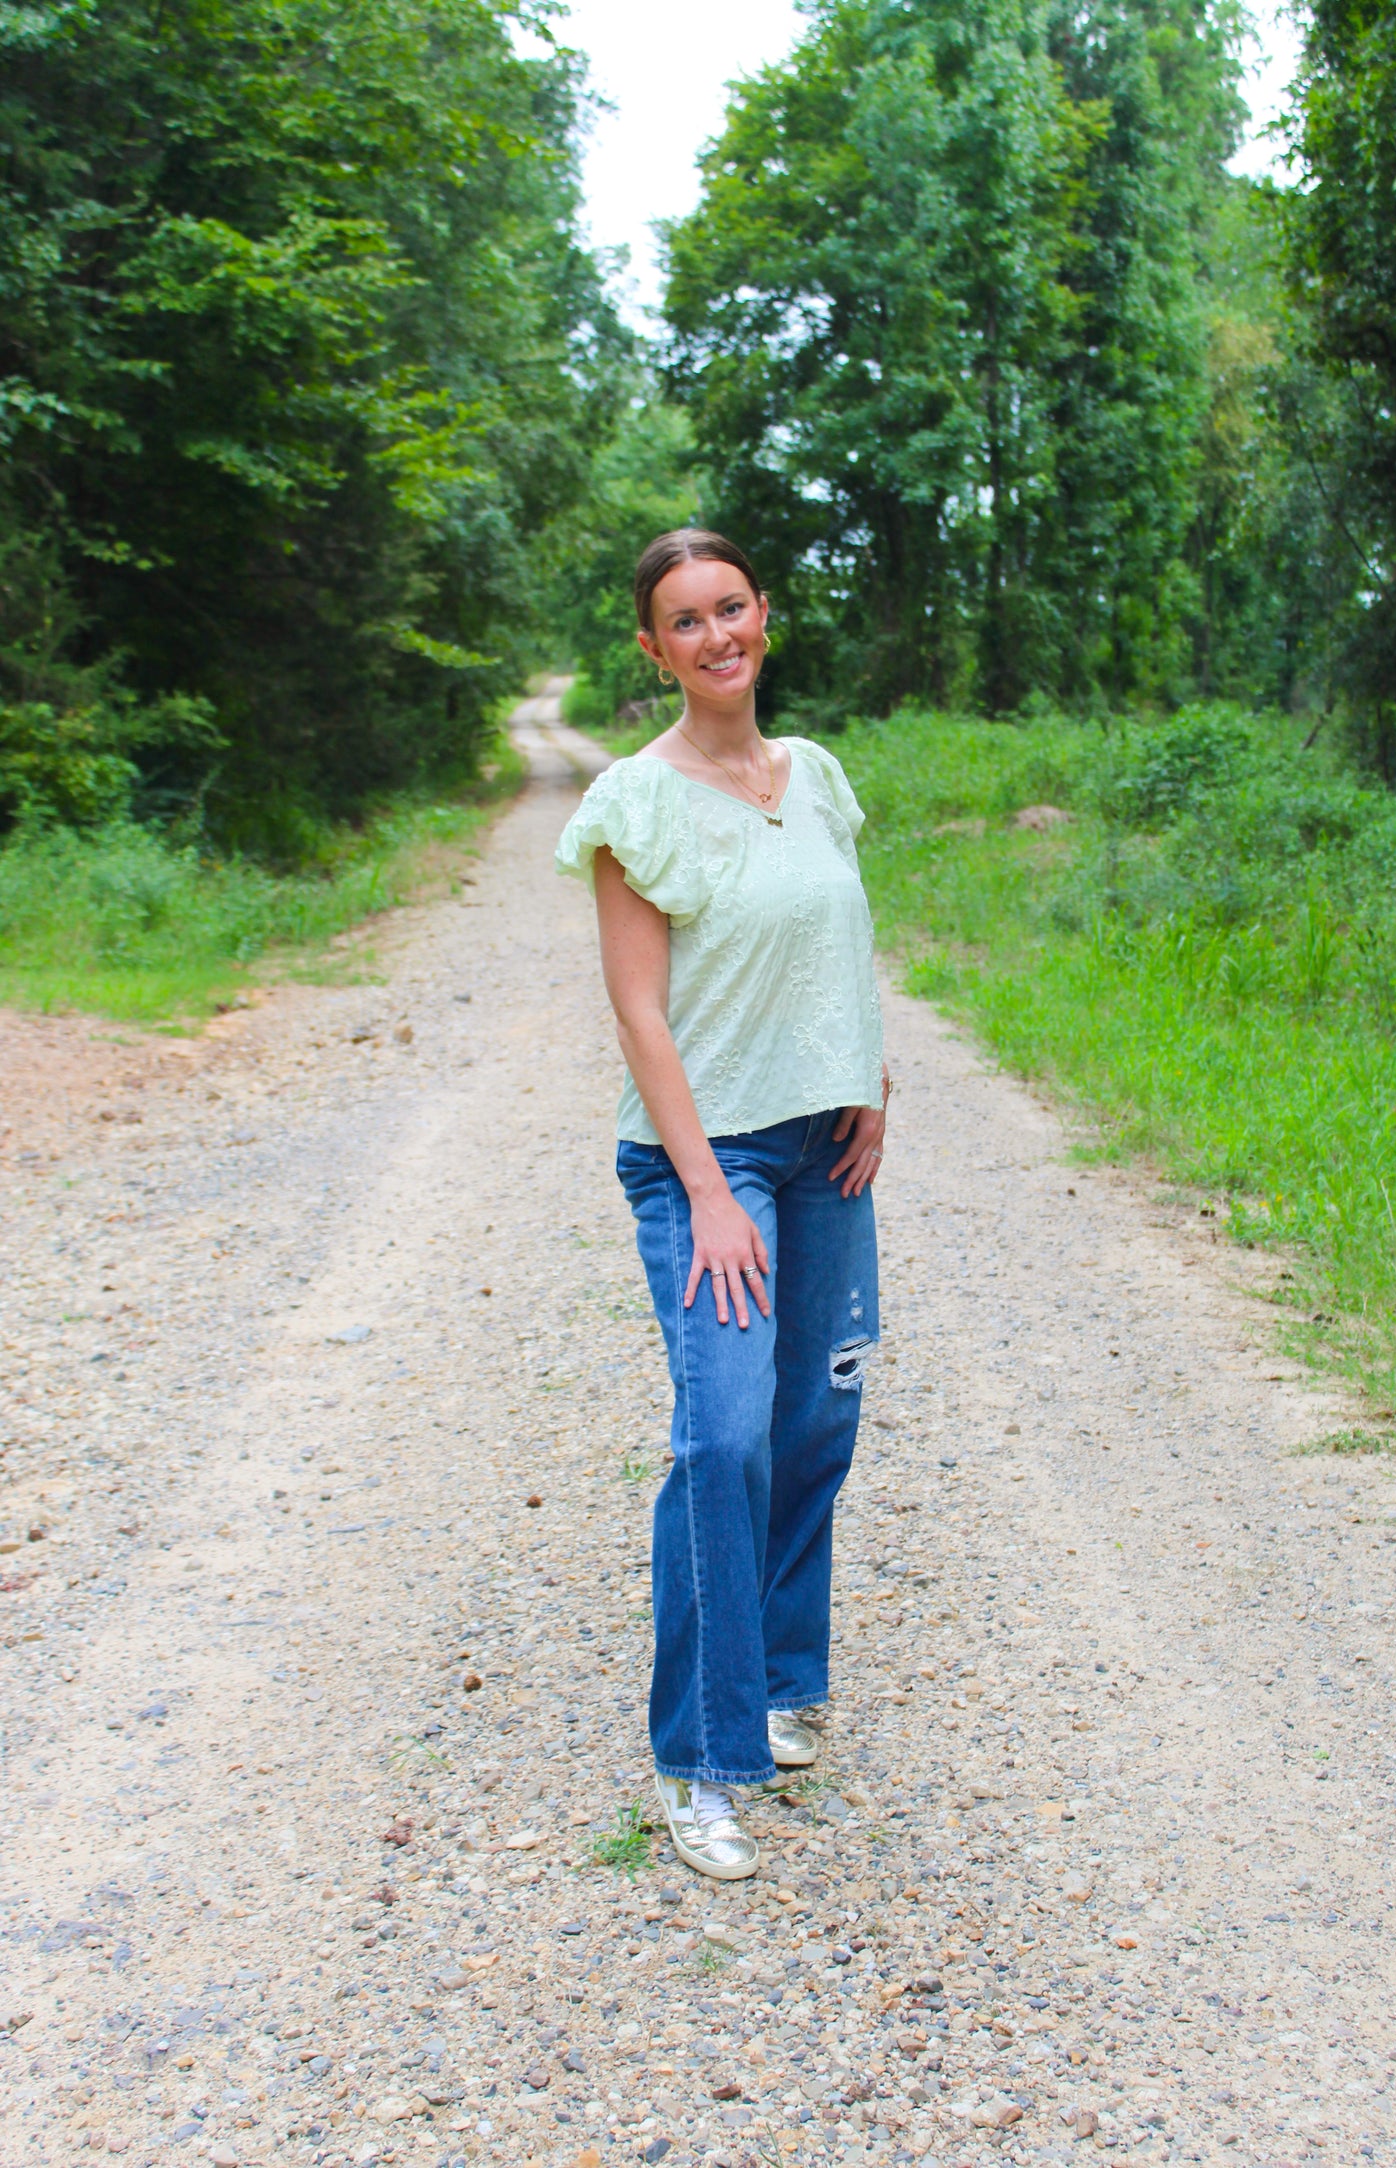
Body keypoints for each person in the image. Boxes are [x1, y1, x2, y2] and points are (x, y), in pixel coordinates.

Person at [555, 528, 889, 1880]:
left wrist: (869, 1074)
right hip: (711, 1166)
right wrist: (706, 1192)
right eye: (683, 622)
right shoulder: (636, 803)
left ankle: (779, 1679)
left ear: (766, 617)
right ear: (652, 650)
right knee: (726, 1435)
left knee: (817, 1419)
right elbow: (638, 1010)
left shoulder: (811, 777)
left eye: (730, 608)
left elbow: (841, 935)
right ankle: (700, 1759)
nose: (714, 637)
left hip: (825, 1148)